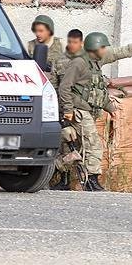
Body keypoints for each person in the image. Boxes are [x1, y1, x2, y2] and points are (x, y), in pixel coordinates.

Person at [58, 32, 132, 191]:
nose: (105, 50)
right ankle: (91, 181)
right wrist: (68, 110)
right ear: (94, 48)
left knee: (73, 147)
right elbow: (64, 88)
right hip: (79, 111)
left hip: (88, 111)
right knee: (93, 144)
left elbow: (98, 87)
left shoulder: (95, 63)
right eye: (102, 47)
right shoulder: (79, 63)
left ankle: (57, 173)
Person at [50, 29, 85, 190]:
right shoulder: (60, 61)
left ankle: (77, 179)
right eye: (70, 42)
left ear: (81, 43)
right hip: (64, 109)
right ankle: (62, 179)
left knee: (78, 145)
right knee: (63, 145)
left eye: (75, 42)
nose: (72, 45)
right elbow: (55, 86)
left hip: (80, 109)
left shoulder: (86, 61)